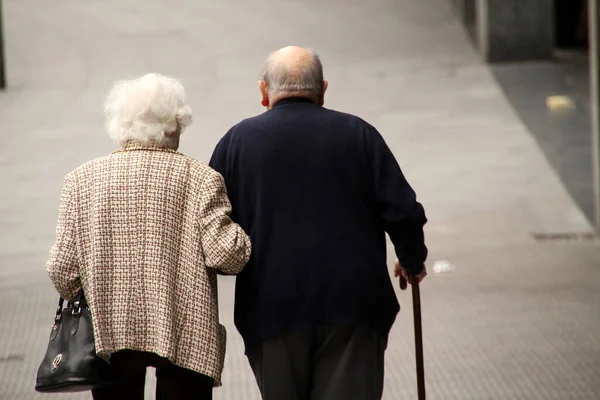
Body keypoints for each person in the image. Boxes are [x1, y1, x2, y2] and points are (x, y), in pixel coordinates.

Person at [209, 46, 428, 400]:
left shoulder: (237, 142)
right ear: (323, 89)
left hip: (271, 307)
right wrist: (411, 259)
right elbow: (403, 210)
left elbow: (213, 223)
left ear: (264, 91)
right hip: (353, 304)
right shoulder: (359, 134)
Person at [46, 73, 251, 400]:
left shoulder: (80, 182)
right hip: (186, 336)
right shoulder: (201, 180)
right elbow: (228, 256)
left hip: (109, 336)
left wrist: (94, 291)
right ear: (174, 124)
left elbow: (62, 270)